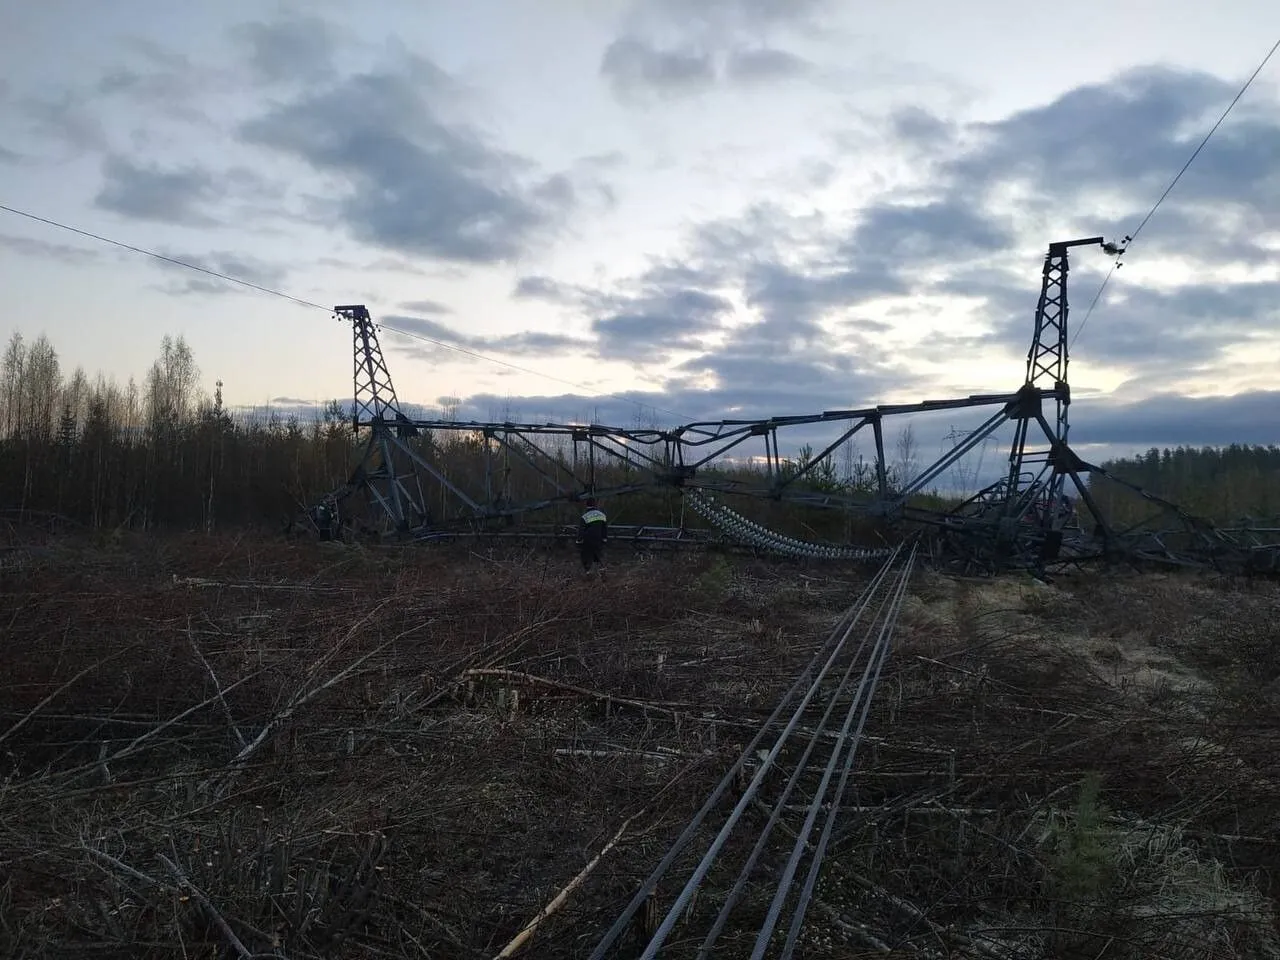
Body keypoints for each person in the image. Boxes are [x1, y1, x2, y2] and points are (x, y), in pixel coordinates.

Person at [577, 497, 608, 572]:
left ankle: (588, 571)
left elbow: (581, 530)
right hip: (598, 539)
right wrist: (604, 538)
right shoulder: (602, 515)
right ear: (595, 505)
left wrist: (579, 540)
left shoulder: (585, 517)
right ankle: (600, 569)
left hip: (587, 540)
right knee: (598, 553)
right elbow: (604, 528)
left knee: (585, 555)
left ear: (586, 505)